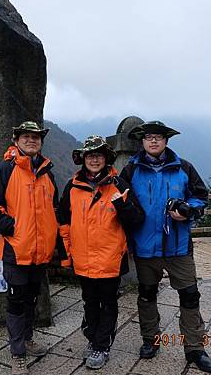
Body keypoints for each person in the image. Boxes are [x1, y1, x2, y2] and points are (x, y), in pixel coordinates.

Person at [120, 121, 211, 373]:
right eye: (149, 137)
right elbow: (120, 203)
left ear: (166, 141)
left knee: (190, 296)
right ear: (142, 141)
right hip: (144, 247)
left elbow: (201, 197)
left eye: (159, 137)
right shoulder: (131, 170)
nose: (153, 141)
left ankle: (195, 348)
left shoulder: (183, 167)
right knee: (146, 294)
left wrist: (188, 211)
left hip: (178, 246)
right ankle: (150, 340)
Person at [59, 135, 144, 369]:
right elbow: (63, 222)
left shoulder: (119, 186)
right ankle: (92, 337)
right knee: (89, 301)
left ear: (106, 158)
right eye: (90, 155)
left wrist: (122, 205)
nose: (94, 159)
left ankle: (101, 345)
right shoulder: (73, 186)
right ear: (83, 159)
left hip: (110, 260)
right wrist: (67, 255)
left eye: (98, 155)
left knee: (107, 303)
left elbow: (137, 219)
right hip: (83, 258)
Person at [0, 121, 59, 375]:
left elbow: (54, 209)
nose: (31, 141)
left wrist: (50, 235)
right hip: (17, 250)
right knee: (16, 302)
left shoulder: (46, 173)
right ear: (16, 140)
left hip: (40, 253)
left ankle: (27, 339)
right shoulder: (4, 170)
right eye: (26, 137)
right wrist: (15, 228)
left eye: (36, 137)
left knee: (32, 299)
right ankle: (18, 354)